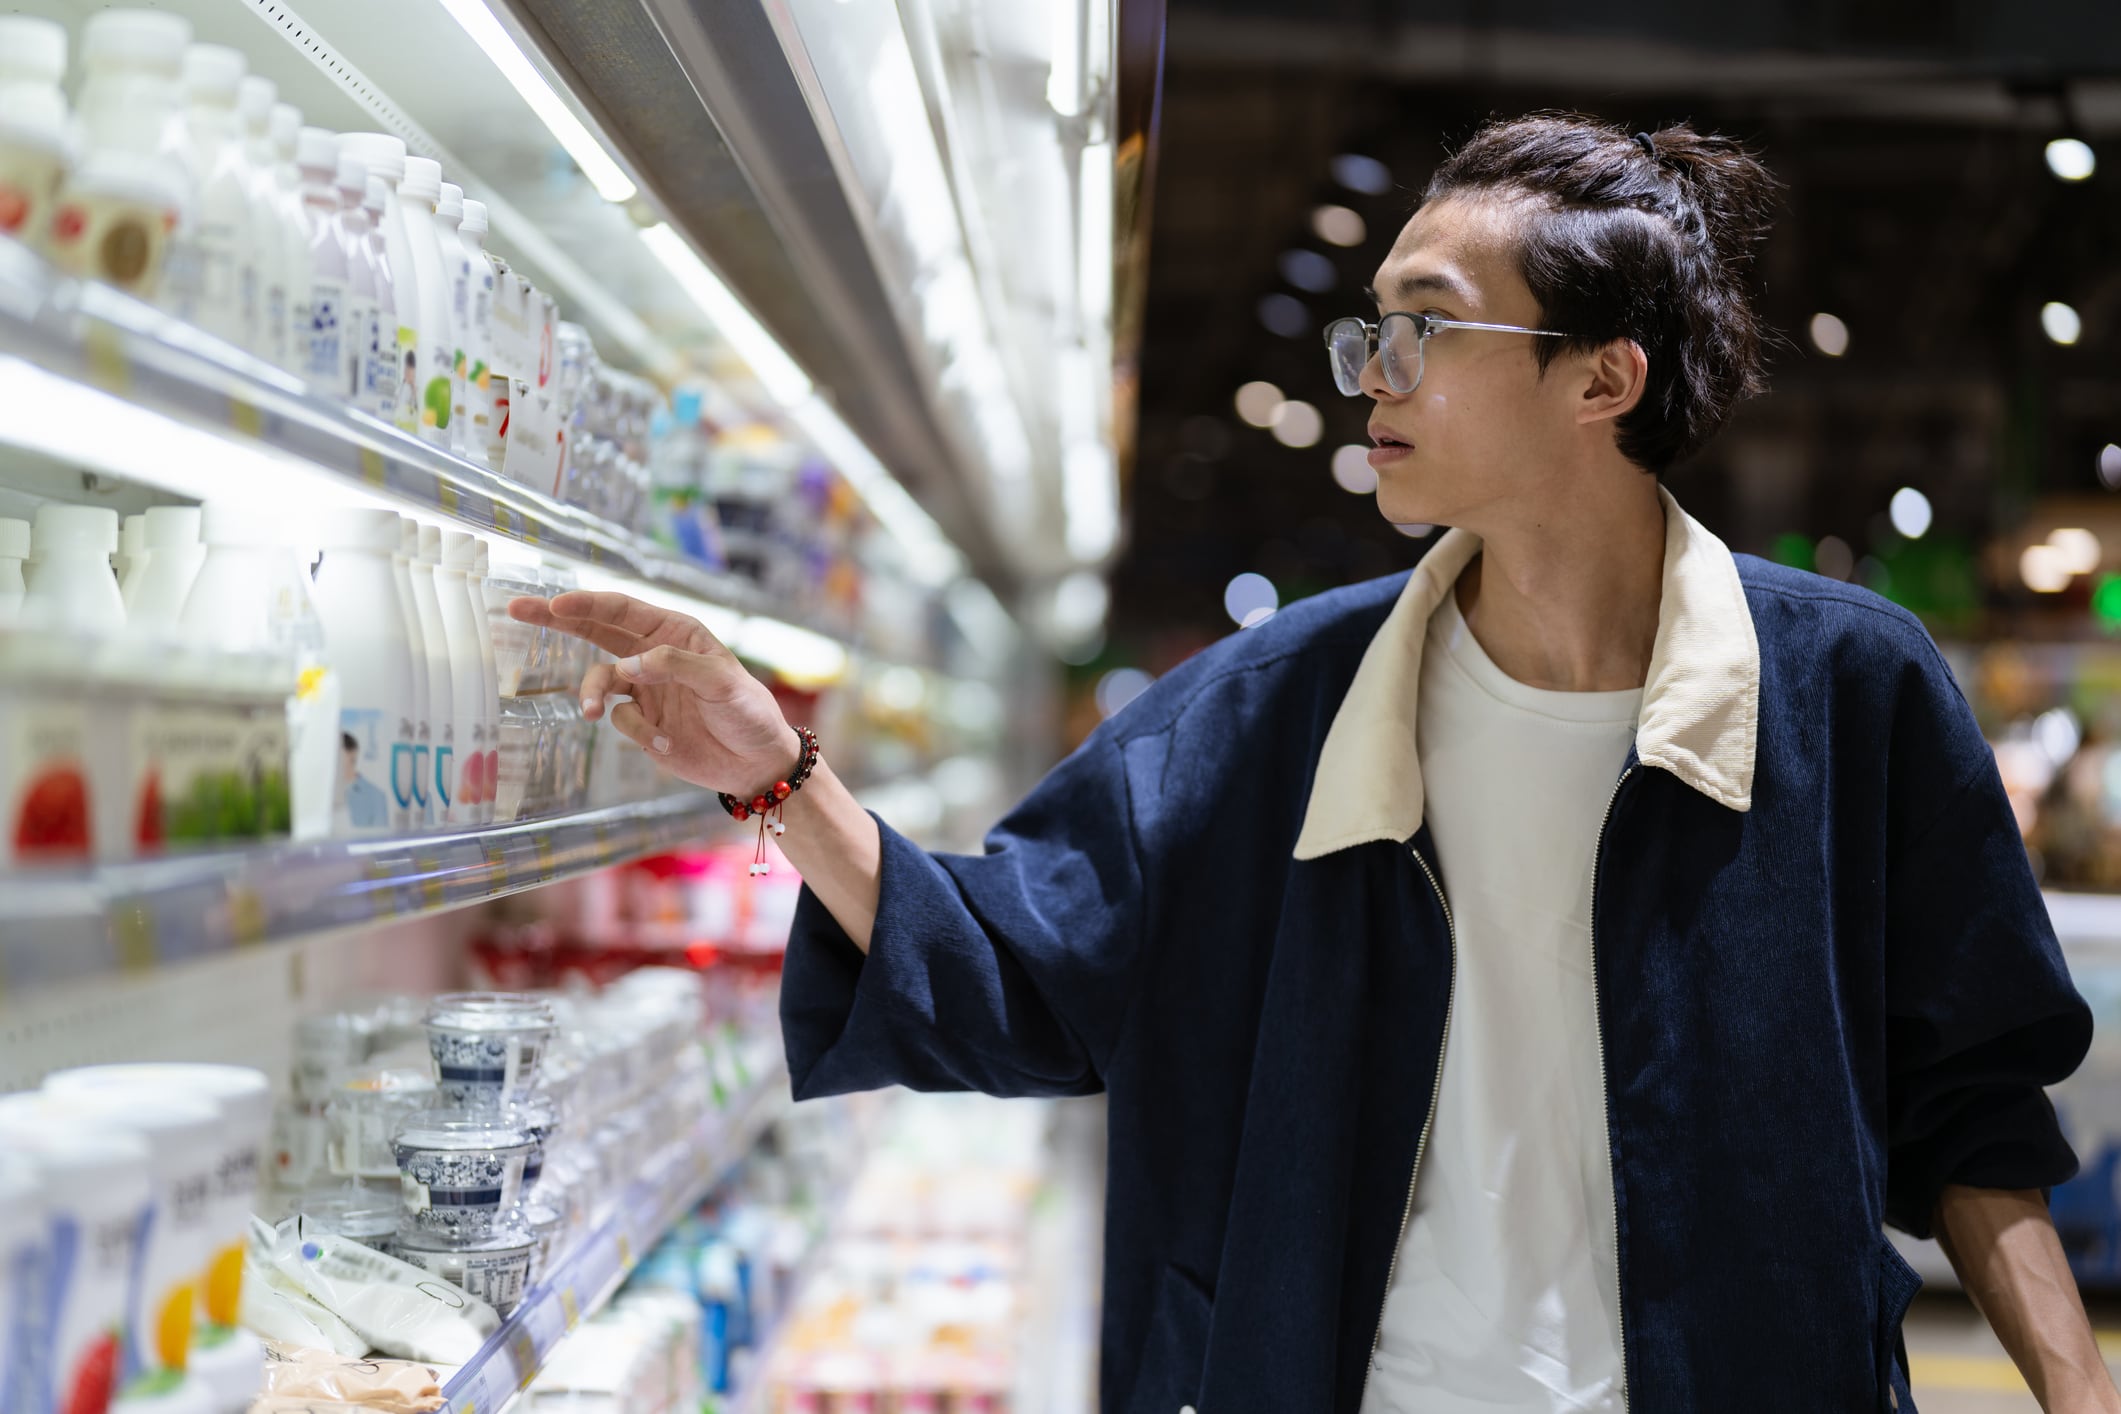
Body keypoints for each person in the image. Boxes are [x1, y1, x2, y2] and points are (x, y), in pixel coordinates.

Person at [510, 113, 2112, 1414]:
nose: (1372, 371)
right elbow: (1024, 960)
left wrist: (2073, 1386)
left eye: (1426, 328)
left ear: (1600, 380)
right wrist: (777, 773)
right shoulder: (1286, 704)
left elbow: (1971, 1102)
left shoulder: (1841, 690)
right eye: (1373, 327)